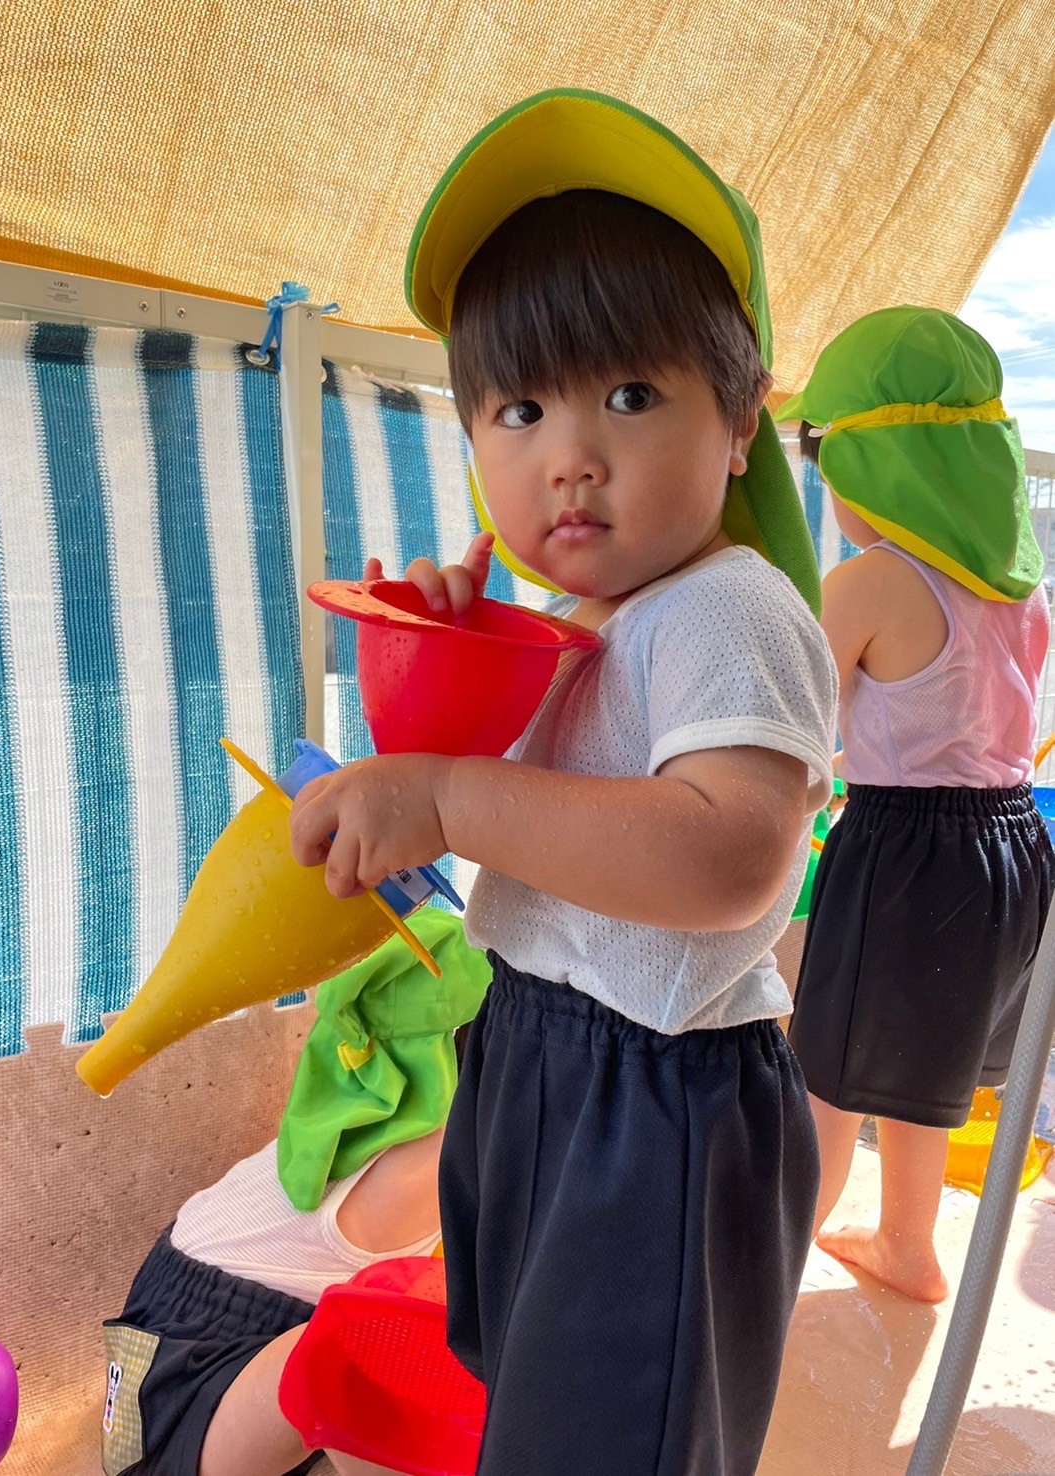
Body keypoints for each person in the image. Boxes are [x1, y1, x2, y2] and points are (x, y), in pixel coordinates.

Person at [289, 89, 838, 1475]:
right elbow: (509, 788)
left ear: (740, 421)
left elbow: (728, 859)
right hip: (540, 1051)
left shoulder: (726, 608)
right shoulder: (579, 618)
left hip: (657, 1102)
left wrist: (447, 798)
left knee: (611, 1437)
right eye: (520, 408)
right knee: (539, 1405)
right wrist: (443, 658)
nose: (569, 456)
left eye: (631, 395)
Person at [777, 305, 1054, 1302]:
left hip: (906, 854)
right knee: (919, 1065)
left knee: (830, 1070)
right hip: (1011, 848)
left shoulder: (869, 581)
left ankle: (768, 1272)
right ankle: (907, 1242)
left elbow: (784, 718)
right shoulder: (1019, 590)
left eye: (824, 455)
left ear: (874, 463)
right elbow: (954, 727)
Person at [100, 909, 490, 1476]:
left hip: (165, 1326)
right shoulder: (432, 1163)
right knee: (395, 1332)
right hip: (192, 1392)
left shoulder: (362, 1105)